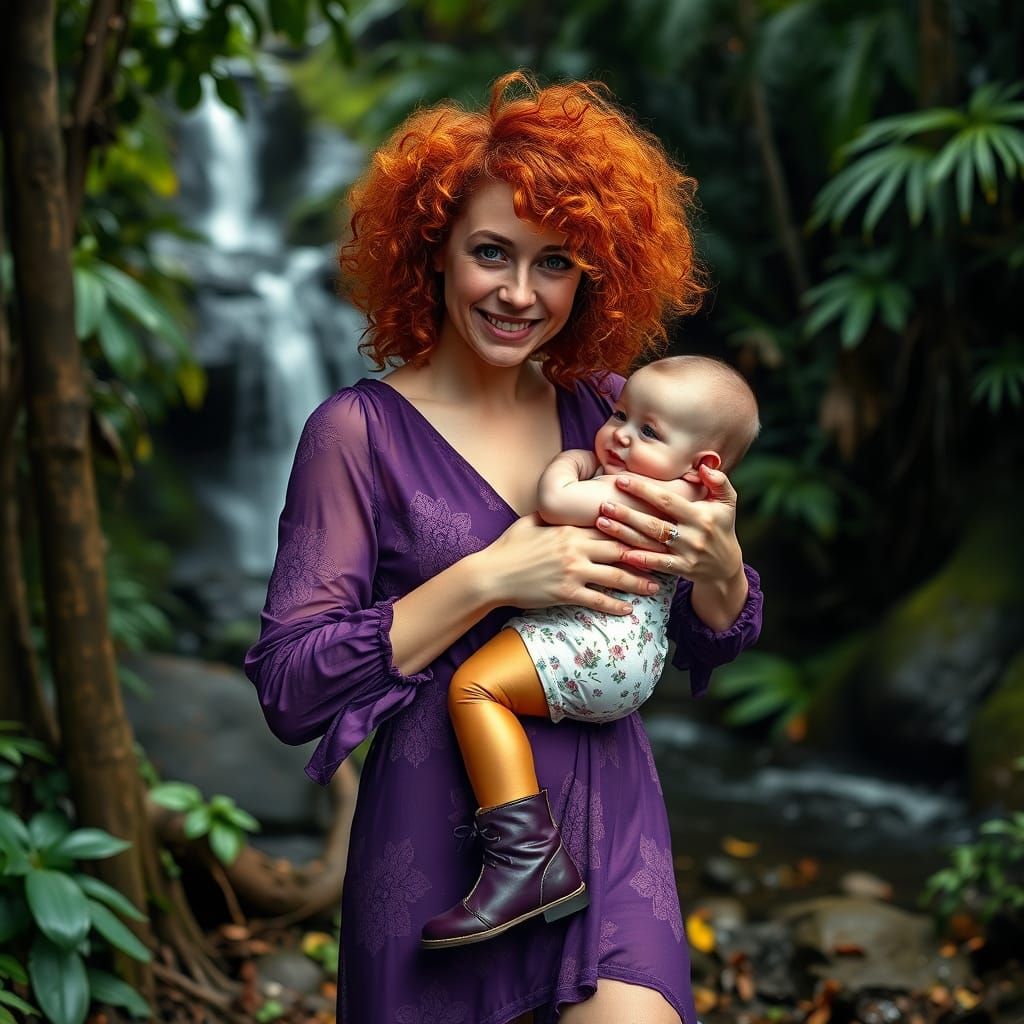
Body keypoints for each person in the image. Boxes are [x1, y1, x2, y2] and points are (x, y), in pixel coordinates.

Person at [245, 71, 763, 1024]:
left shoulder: (610, 410)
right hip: (430, 855)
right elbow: (291, 686)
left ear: (595, 271)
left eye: (556, 262)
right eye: (492, 253)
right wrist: (490, 578)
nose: (520, 294)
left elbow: (704, 637)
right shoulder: (355, 434)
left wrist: (722, 568)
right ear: (432, 251)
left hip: (608, 826)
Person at [423, 355, 760, 950]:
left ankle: (529, 859)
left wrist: (570, 461)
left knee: (475, 689)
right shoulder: (694, 510)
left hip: (594, 642)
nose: (620, 435)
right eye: (621, 416)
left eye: (648, 432)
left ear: (704, 464)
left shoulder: (640, 494)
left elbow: (555, 504)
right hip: (628, 657)